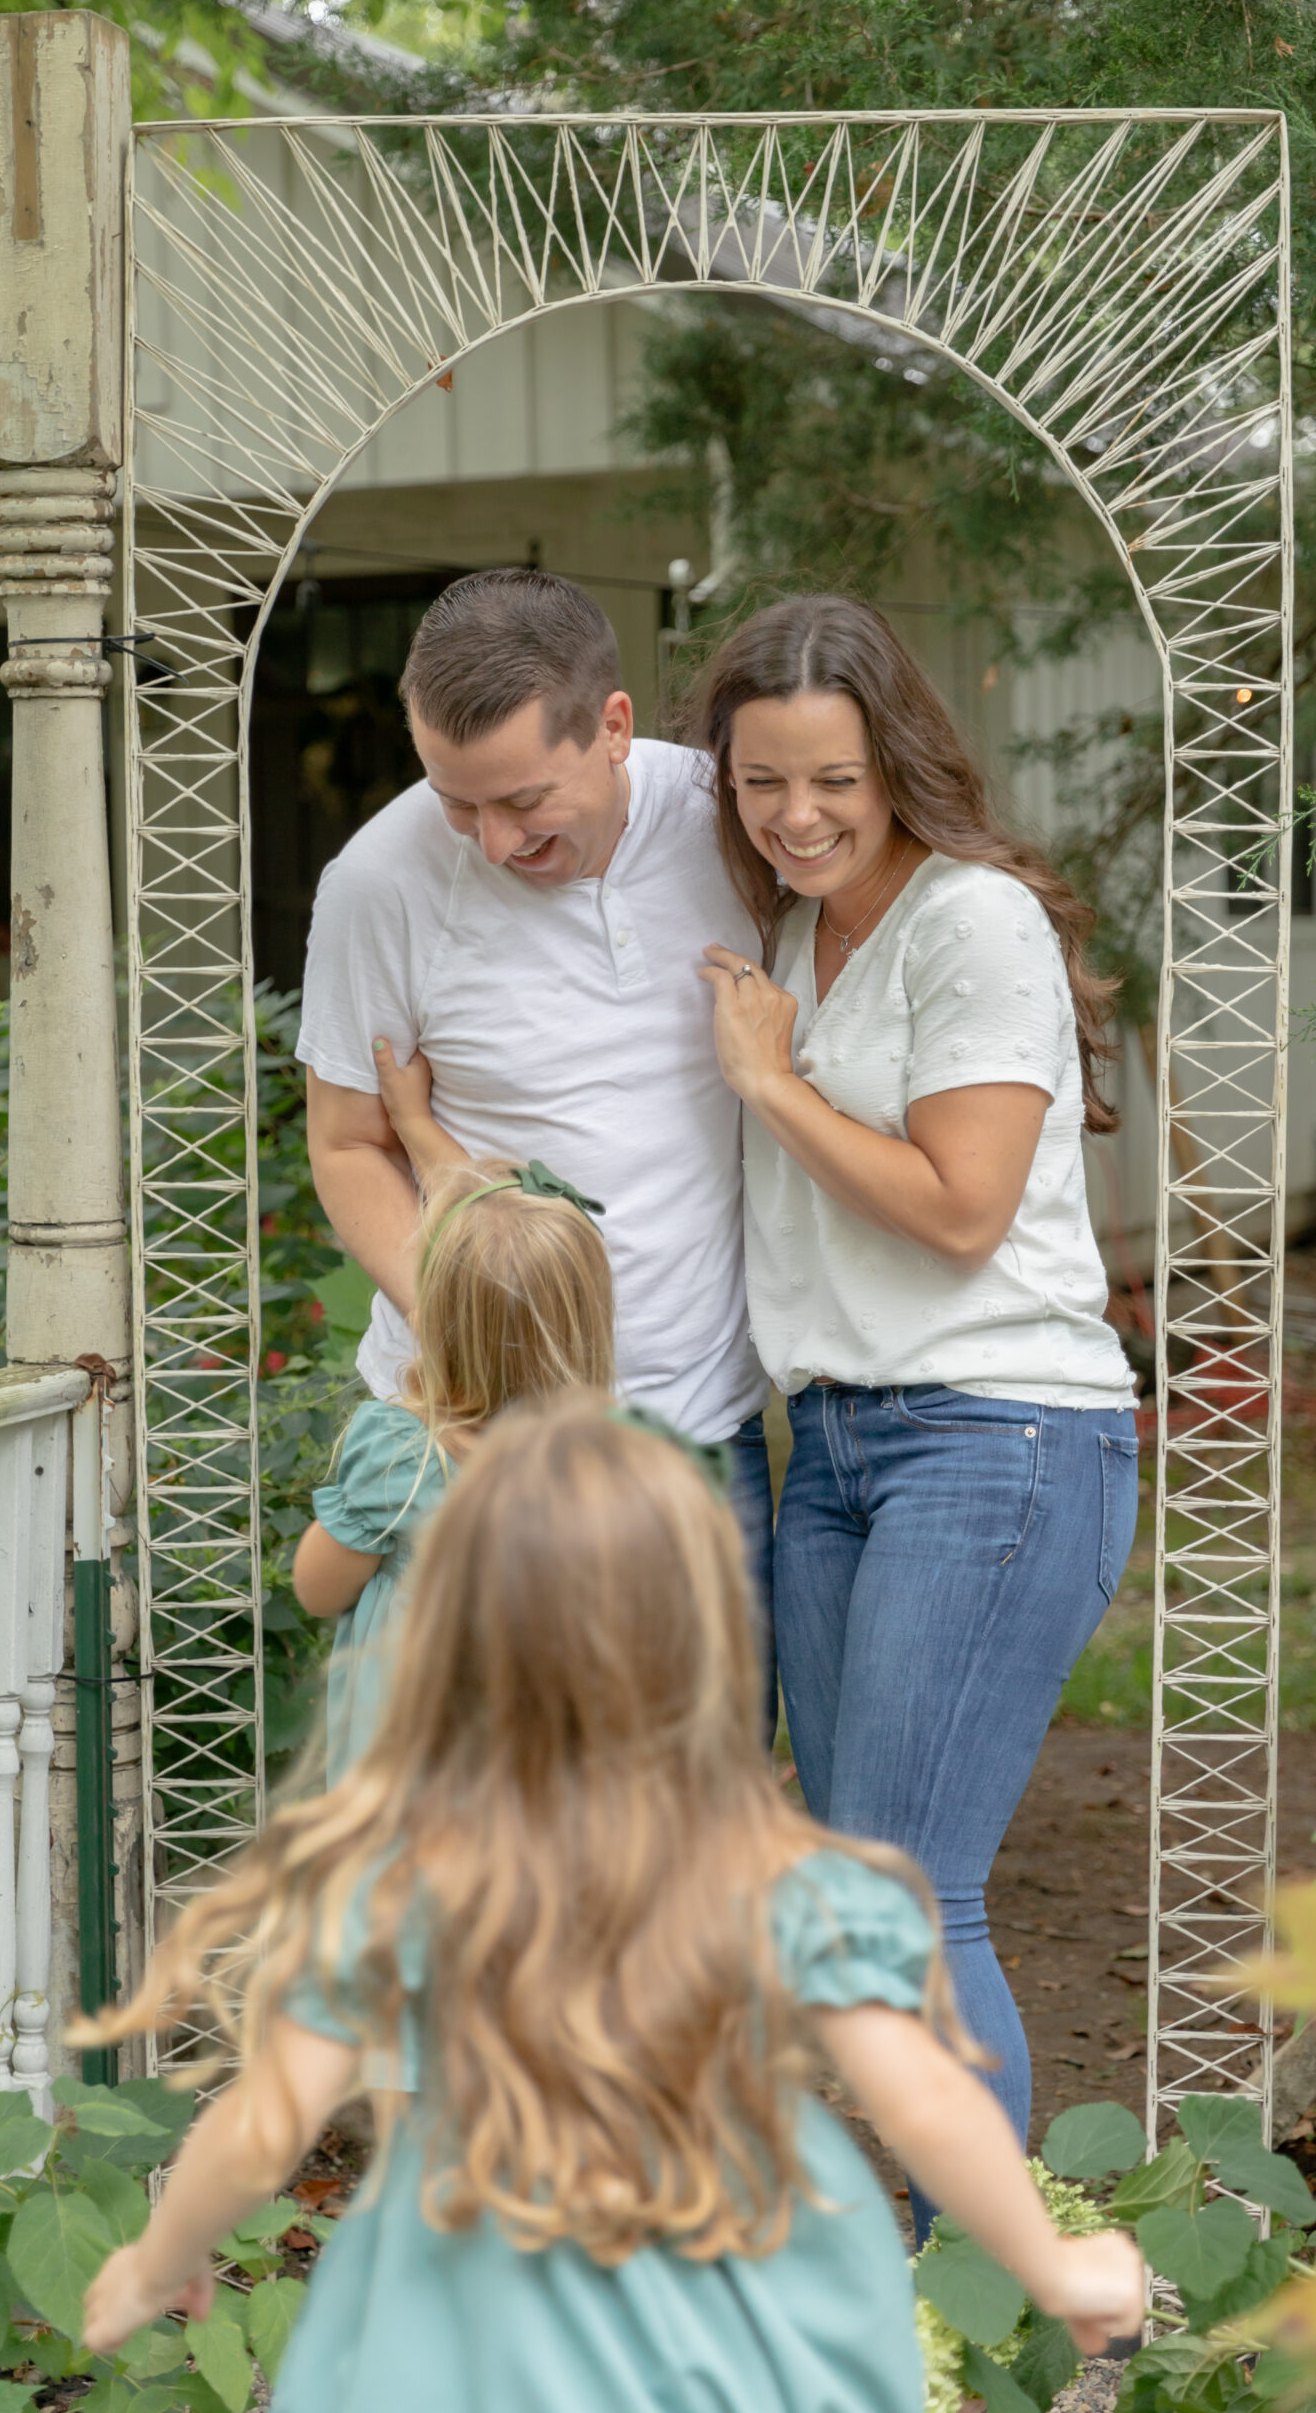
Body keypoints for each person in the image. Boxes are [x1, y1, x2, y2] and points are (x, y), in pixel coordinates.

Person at [79, 1402, 1143, 2413]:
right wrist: (1050, 2263)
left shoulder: (407, 1879)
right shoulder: (773, 1873)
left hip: (473, 2315)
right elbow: (922, 2097)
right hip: (740, 2305)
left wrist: (156, 2262)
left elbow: (267, 2117)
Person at [691, 595, 1140, 2227]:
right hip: (844, 1454)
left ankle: (1014, 2329)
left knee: (907, 1901)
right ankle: (930, 2308)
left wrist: (769, 1084)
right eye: (760, 786)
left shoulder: (971, 924)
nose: (797, 815)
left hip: (1001, 1437)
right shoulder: (803, 932)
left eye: (832, 782)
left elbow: (960, 1208)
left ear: (897, 765)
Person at [297, 566, 772, 1650]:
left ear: (613, 727)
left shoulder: (732, 823)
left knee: (693, 1805)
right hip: (470, 1449)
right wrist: (480, 1349)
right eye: (455, 801)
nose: (493, 842)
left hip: (695, 1431)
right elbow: (347, 1141)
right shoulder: (379, 880)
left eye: (523, 801)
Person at [293, 1156, 614, 1781]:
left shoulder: (402, 1458)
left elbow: (316, 1588)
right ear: (587, 1327)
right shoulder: (603, 1469)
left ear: (434, 1319)